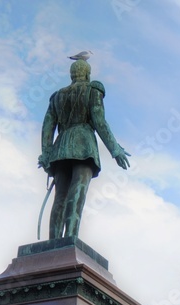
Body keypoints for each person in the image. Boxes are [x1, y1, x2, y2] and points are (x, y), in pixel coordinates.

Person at [39, 57, 130, 240]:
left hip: (60, 148)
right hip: (84, 145)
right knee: (77, 190)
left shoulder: (57, 96)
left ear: (72, 75)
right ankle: (71, 237)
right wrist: (115, 149)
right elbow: (99, 120)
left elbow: (47, 127)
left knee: (60, 196)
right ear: (87, 74)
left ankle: (54, 242)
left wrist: (46, 153)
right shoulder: (92, 90)